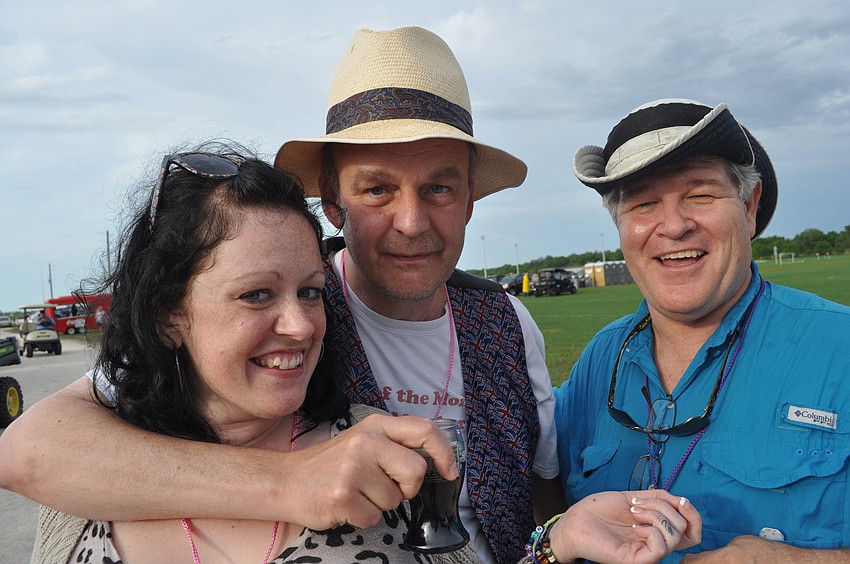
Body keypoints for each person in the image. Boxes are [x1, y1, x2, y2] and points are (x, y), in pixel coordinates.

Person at [0, 26, 664, 564]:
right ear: (333, 201)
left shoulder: (508, 321)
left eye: (439, 187)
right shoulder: (288, 308)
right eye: (377, 189)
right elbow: (34, 449)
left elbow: (538, 488)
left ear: (469, 201)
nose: (411, 222)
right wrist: (292, 483)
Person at [555, 98, 850, 561]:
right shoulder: (601, 358)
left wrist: (799, 560)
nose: (673, 226)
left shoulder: (840, 347)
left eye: (701, 195)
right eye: (644, 203)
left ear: (749, 208)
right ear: (621, 226)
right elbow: (537, 500)